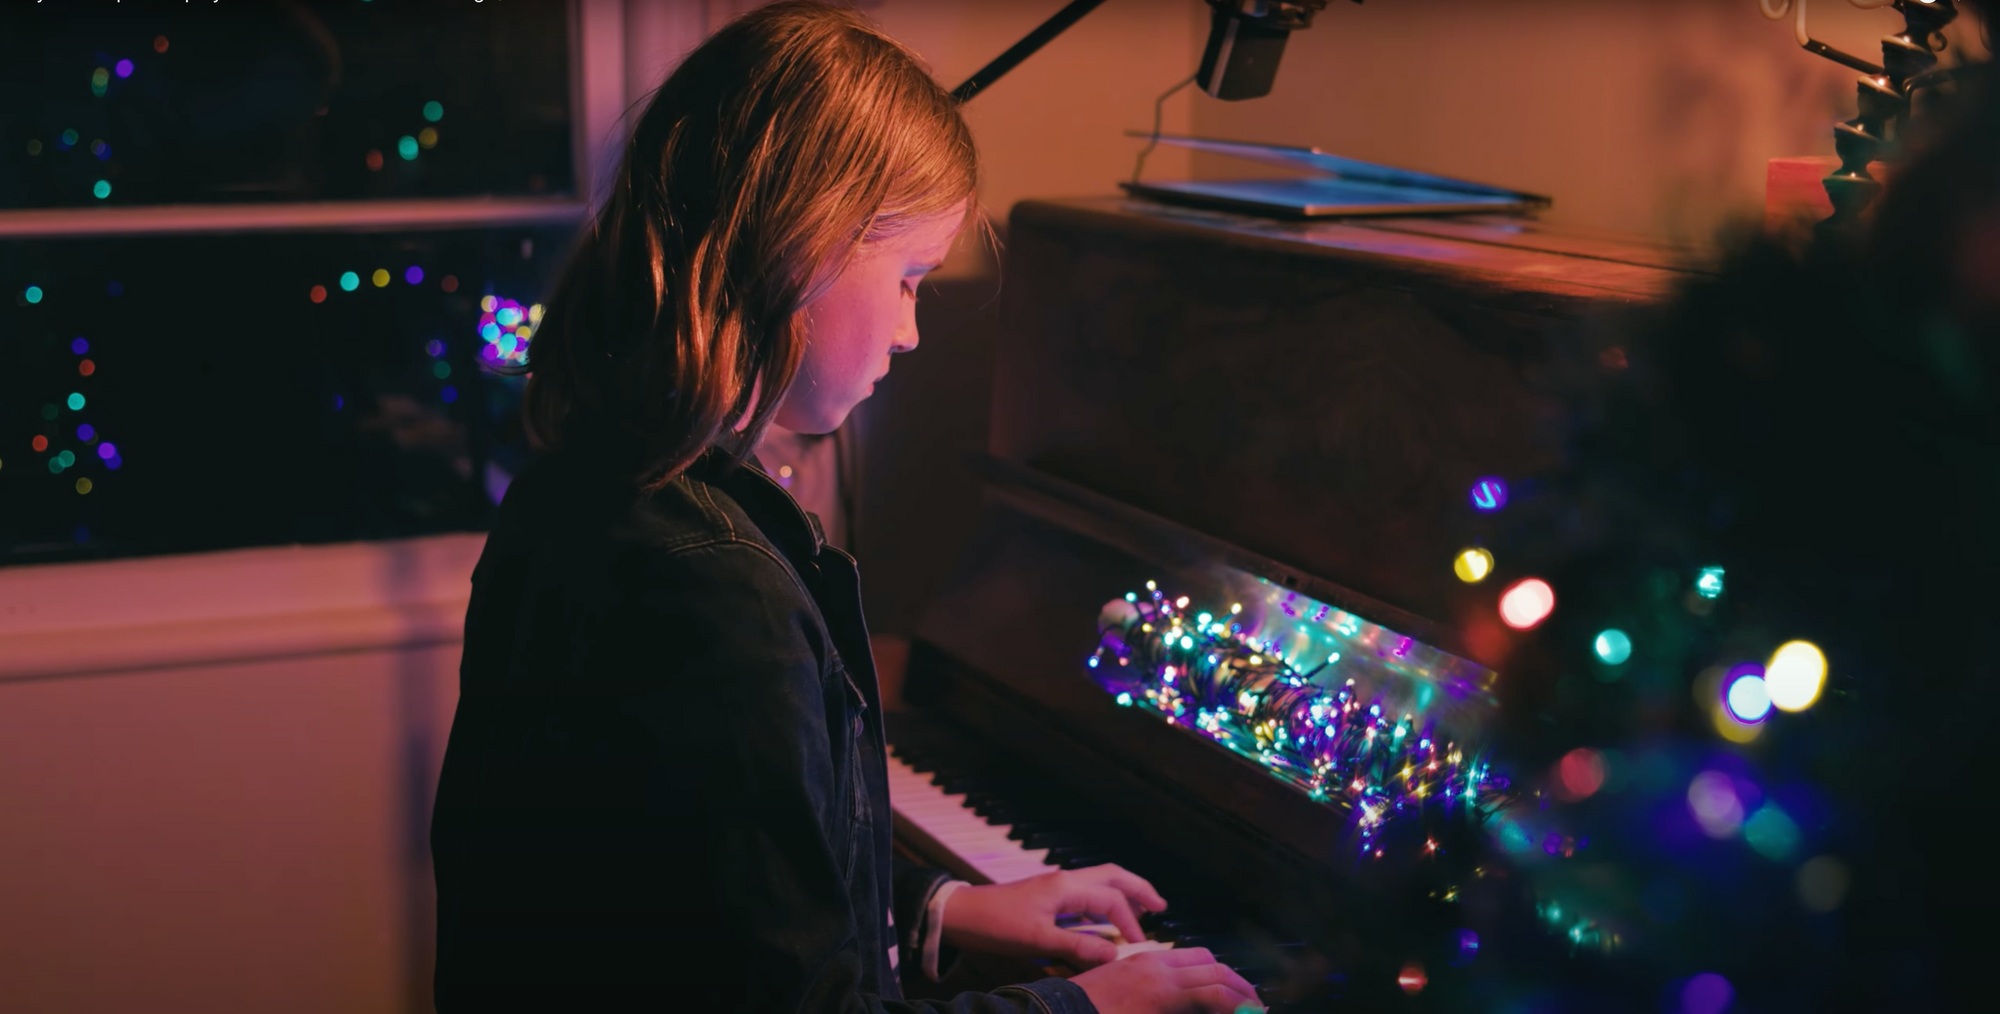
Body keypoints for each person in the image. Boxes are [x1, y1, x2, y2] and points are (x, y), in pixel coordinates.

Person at [428, 4, 1260, 1012]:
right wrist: (1088, 1007)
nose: (911, 332)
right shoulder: (711, 590)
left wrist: (936, 907)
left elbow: (701, 893)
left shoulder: (587, 483)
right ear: (804, 242)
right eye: (909, 278)